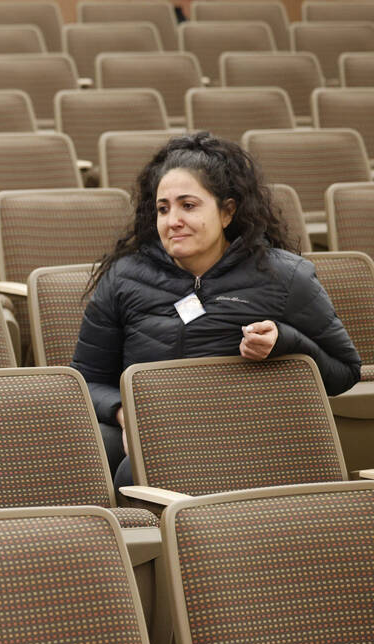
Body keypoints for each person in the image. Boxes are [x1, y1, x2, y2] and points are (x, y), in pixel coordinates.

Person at [72, 132, 361, 486]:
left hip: (245, 434)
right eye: (163, 208)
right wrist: (125, 415)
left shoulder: (283, 277)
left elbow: (345, 372)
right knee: (116, 459)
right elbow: (88, 379)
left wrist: (284, 341)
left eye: (188, 206)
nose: (172, 220)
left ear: (227, 212)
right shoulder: (124, 278)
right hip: (158, 432)